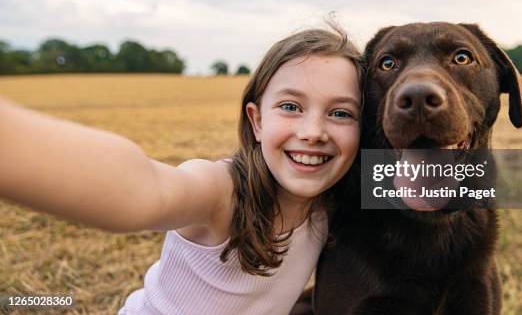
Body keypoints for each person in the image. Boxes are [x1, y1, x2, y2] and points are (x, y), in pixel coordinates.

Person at [0, 27, 363, 314]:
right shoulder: (220, 192)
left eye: (341, 113)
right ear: (256, 121)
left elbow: (416, 188)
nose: (313, 132)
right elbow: (144, 188)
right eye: (290, 106)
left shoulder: (334, 199)